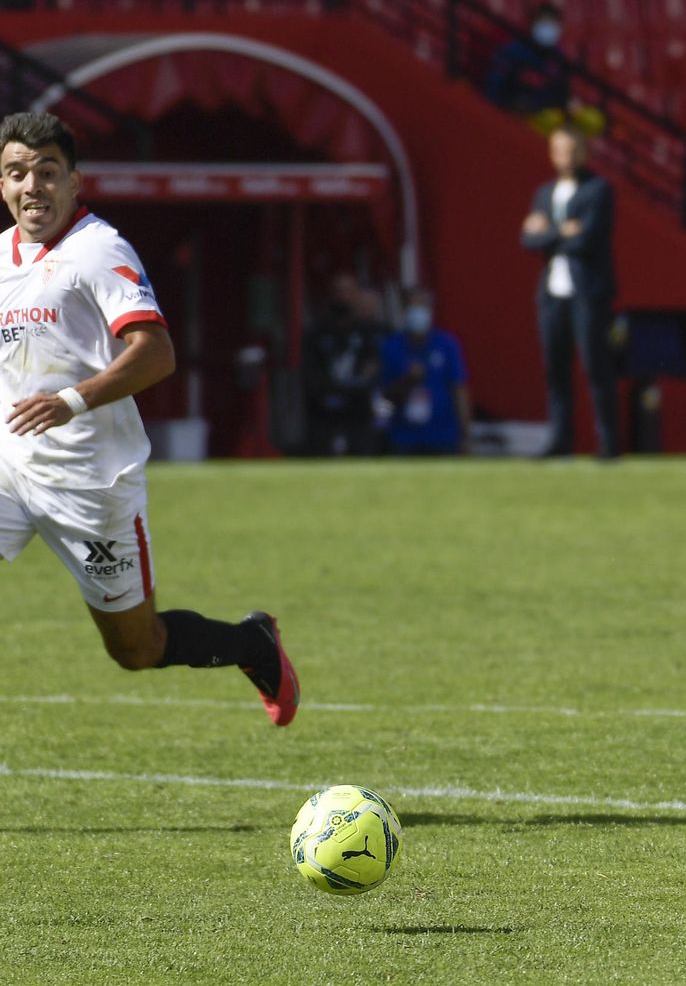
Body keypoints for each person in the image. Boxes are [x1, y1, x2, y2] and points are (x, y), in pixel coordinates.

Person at [0, 111, 297, 725]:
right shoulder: (1, 256)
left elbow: (156, 354)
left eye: (48, 172)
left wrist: (71, 400)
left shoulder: (98, 250)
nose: (33, 186)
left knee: (136, 649)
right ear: (2, 184)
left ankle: (252, 645)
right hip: (9, 469)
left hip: (91, 483)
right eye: (17, 172)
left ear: (75, 181)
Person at [521, 126, 621, 459]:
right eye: (558, 149)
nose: (565, 156)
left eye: (571, 149)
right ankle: (560, 439)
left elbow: (587, 238)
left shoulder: (598, 190)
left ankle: (608, 442)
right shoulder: (544, 192)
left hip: (588, 290)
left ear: (584, 151)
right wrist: (561, 230)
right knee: (555, 367)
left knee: (595, 365)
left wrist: (548, 231)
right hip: (552, 291)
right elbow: (528, 240)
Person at [483, 3, 605, 138]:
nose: (548, 28)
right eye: (544, 23)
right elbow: (495, 86)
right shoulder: (512, 51)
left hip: (552, 112)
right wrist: (505, 108)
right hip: (521, 113)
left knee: (593, 119)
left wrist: (570, 107)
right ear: (533, 24)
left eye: (552, 24)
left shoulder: (558, 56)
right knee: (549, 120)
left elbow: (563, 91)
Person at [379, 288, 471, 455]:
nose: (419, 313)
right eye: (413, 307)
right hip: (403, 438)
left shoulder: (447, 345)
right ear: (404, 311)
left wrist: (465, 433)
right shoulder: (391, 347)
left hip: (443, 436)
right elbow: (383, 397)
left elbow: (459, 389)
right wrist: (381, 428)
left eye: (423, 307)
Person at [302, 273, 382, 456]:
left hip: (360, 412)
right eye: (339, 291)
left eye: (348, 291)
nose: (343, 296)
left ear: (356, 295)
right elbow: (311, 373)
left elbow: (374, 370)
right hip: (324, 413)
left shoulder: (370, 332)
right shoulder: (316, 333)